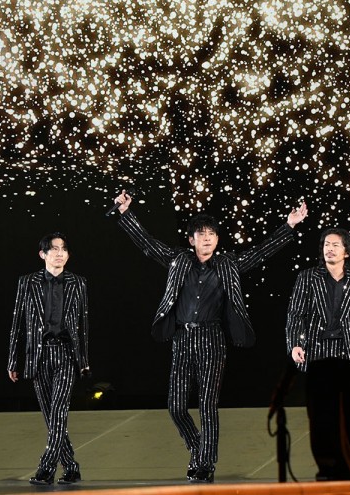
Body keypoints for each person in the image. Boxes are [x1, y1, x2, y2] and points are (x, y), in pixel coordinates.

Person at [112, 192, 305, 483]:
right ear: (191, 240)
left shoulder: (228, 264)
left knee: (207, 404)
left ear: (217, 239)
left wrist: (289, 225)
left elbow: (261, 252)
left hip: (211, 338)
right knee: (176, 406)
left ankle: (205, 463)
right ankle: (198, 448)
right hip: (182, 338)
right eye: (201, 234)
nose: (207, 238)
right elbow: (148, 245)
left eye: (212, 234)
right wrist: (125, 213)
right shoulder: (178, 260)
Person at [285, 226, 350, 480]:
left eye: (335, 244)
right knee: (322, 416)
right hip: (319, 353)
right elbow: (295, 315)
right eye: (326, 244)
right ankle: (327, 467)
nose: (330, 248)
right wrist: (295, 344)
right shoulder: (307, 277)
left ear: (347, 251)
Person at [7, 233, 90, 485]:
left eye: (63, 249)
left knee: (58, 412)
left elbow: (83, 325)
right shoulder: (27, 282)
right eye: (54, 249)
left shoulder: (78, 282)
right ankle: (71, 467)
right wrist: (13, 360)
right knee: (51, 416)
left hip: (66, 353)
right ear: (42, 254)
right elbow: (17, 323)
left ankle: (46, 467)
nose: (59, 253)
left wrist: (84, 360)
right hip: (38, 354)